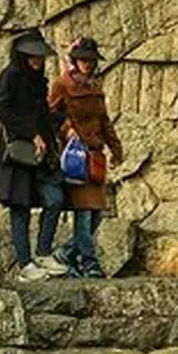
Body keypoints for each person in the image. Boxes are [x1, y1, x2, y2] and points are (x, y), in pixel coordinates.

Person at [0, 29, 69, 282]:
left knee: (55, 199)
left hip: (43, 152)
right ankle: (25, 264)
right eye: (33, 56)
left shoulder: (38, 80)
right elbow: (1, 110)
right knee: (20, 207)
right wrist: (30, 133)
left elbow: (41, 113)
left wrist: (59, 122)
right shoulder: (10, 76)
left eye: (40, 56)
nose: (38, 60)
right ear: (22, 55)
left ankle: (43, 252)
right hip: (19, 152)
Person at [49, 37, 123, 278]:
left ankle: (64, 254)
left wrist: (116, 148)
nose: (87, 64)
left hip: (95, 156)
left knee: (97, 213)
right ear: (75, 60)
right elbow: (49, 115)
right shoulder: (62, 84)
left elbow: (104, 121)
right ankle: (90, 263)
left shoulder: (95, 87)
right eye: (83, 60)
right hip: (76, 156)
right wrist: (66, 130)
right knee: (84, 211)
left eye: (91, 60)